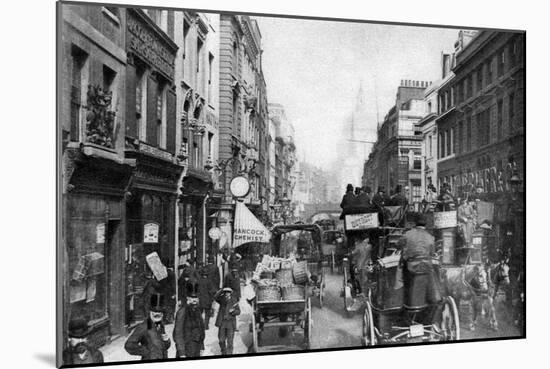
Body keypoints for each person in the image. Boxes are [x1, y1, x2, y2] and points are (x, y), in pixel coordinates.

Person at [125, 293, 171, 360]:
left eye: (160, 312)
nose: (157, 314)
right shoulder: (144, 326)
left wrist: (167, 340)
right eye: (154, 312)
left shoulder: (160, 325)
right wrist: (147, 352)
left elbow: (164, 346)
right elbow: (129, 345)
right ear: (150, 312)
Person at [173, 281, 205, 358]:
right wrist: (181, 352)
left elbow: (200, 330)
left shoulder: (197, 311)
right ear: (187, 298)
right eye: (192, 298)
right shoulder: (182, 311)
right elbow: (178, 334)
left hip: (196, 349)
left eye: (196, 297)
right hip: (186, 350)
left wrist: (201, 347)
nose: (194, 300)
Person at [214, 287, 241, 355]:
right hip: (222, 323)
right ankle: (223, 351)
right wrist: (221, 290)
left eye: (228, 292)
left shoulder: (234, 300)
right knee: (221, 340)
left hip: (230, 323)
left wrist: (233, 311)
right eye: (225, 292)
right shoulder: (221, 299)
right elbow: (215, 297)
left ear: (230, 293)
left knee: (230, 341)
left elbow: (238, 311)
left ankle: (229, 354)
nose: (227, 293)